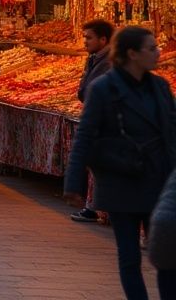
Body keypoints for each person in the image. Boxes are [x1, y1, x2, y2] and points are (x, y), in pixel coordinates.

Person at [66, 26, 176, 300]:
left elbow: (172, 132)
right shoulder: (103, 89)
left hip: (158, 179)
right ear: (132, 54)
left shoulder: (161, 87)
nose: (158, 53)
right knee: (129, 256)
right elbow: (86, 135)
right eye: (151, 48)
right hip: (120, 182)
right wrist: (72, 182)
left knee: (167, 254)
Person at [74, 19, 117, 223]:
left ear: (103, 39)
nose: (85, 41)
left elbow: (90, 89)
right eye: (84, 37)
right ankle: (96, 206)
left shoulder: (107, 62)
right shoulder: (95, 59)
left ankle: (101, 207)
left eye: (88, 37)